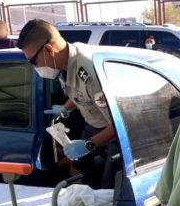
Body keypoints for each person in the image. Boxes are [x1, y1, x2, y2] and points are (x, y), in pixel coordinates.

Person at [17, 19, 115, 165]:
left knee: (109, 183)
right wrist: (65, 108)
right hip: (93, 124)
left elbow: (119, 123)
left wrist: (90, 144)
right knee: (77, 164)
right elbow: (80, 93)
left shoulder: (91, 74)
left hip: (113, 133)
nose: (34, 67)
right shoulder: (64, 64)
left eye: (33, 61)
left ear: (49, 50)